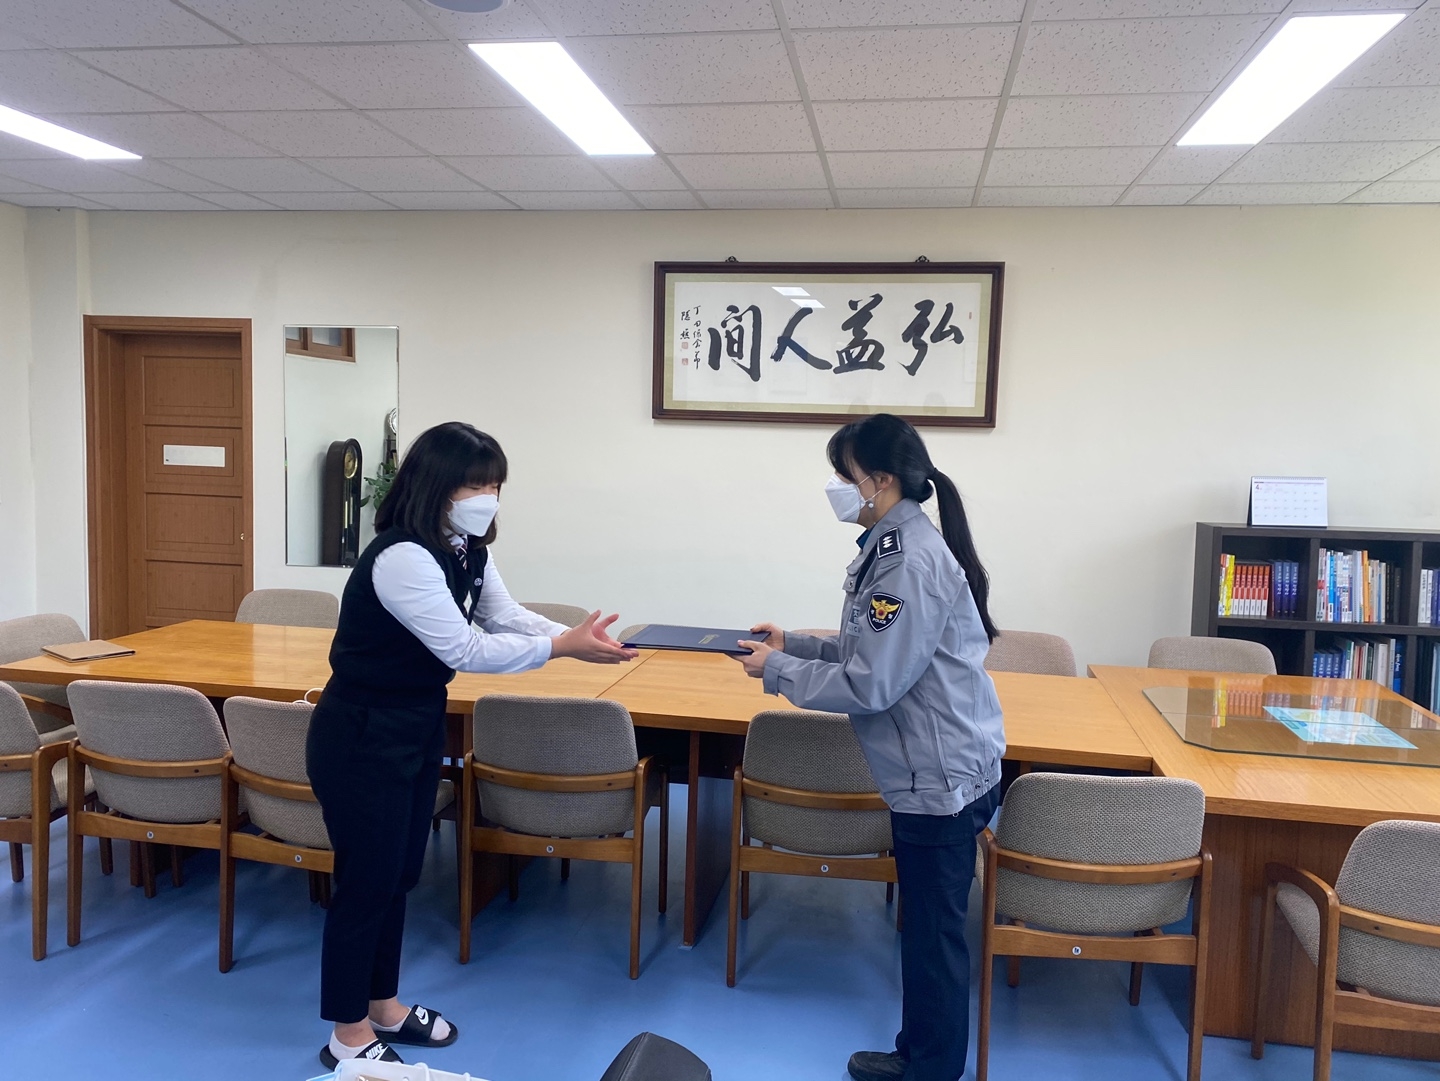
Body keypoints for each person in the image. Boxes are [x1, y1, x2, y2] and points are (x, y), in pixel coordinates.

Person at [306, 421, 636, 1069]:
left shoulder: (462, 548)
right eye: (476, 485)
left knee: (399, 873)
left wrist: (575, 637)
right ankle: (347, 1033)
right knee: (366, 880)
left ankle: (383, 1004)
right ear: (436, 485)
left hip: (415, 723)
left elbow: (503, 615)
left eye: (495, 486)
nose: (489, 498)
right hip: (362, 732)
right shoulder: (402, 556)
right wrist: (559, 648)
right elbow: (464, 647)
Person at [735, 413, 1005, 1081]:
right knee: (927, 933)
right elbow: (870, 650)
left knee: (934, 939)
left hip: (939, 778)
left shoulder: (908, 560)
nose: (836, 486)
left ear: (881, 481)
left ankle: (929, 1069)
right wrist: (795, 645)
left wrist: (777, 670)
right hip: (935, 769)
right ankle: (917, 1054)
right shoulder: (892, 544)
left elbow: (872, 684)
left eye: (843, 474)